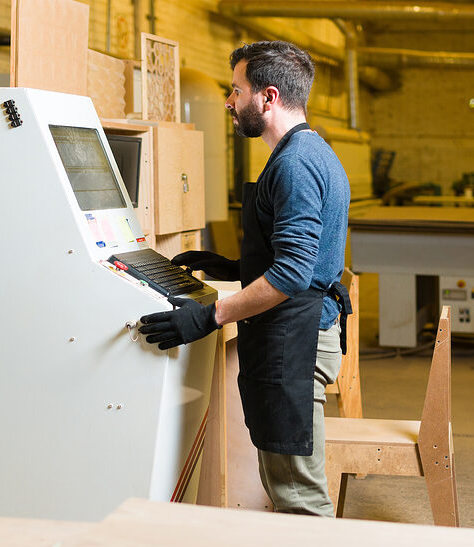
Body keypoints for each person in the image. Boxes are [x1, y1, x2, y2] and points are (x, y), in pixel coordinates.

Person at [139, 40, 350, 517]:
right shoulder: (312, 151)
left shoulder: (293, 164)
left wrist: (210, 316)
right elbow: (303, 258)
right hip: (297, 331)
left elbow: (294, 273)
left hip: (294, 341)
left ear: (268, 97)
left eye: (236, 91)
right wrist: (231, 267)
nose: (229, 103)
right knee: (286, 486)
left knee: (298, 497)